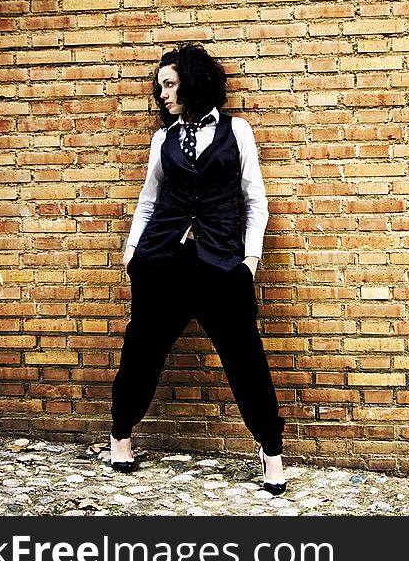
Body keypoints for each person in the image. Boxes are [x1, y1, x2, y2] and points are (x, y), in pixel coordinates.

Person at [109, 44, 286, 495]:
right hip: (162, 261)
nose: (162, 93)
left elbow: (255, 200)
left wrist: (250, 259)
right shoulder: (162, 138)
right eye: (160, 86)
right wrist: (132, 251)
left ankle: (270, 450)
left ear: (192, 81)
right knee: (142, 351)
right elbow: (150, 199)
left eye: (169, 84)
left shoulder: (237, 131)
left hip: (222, 262)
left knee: (245, 355)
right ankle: (120, 433)